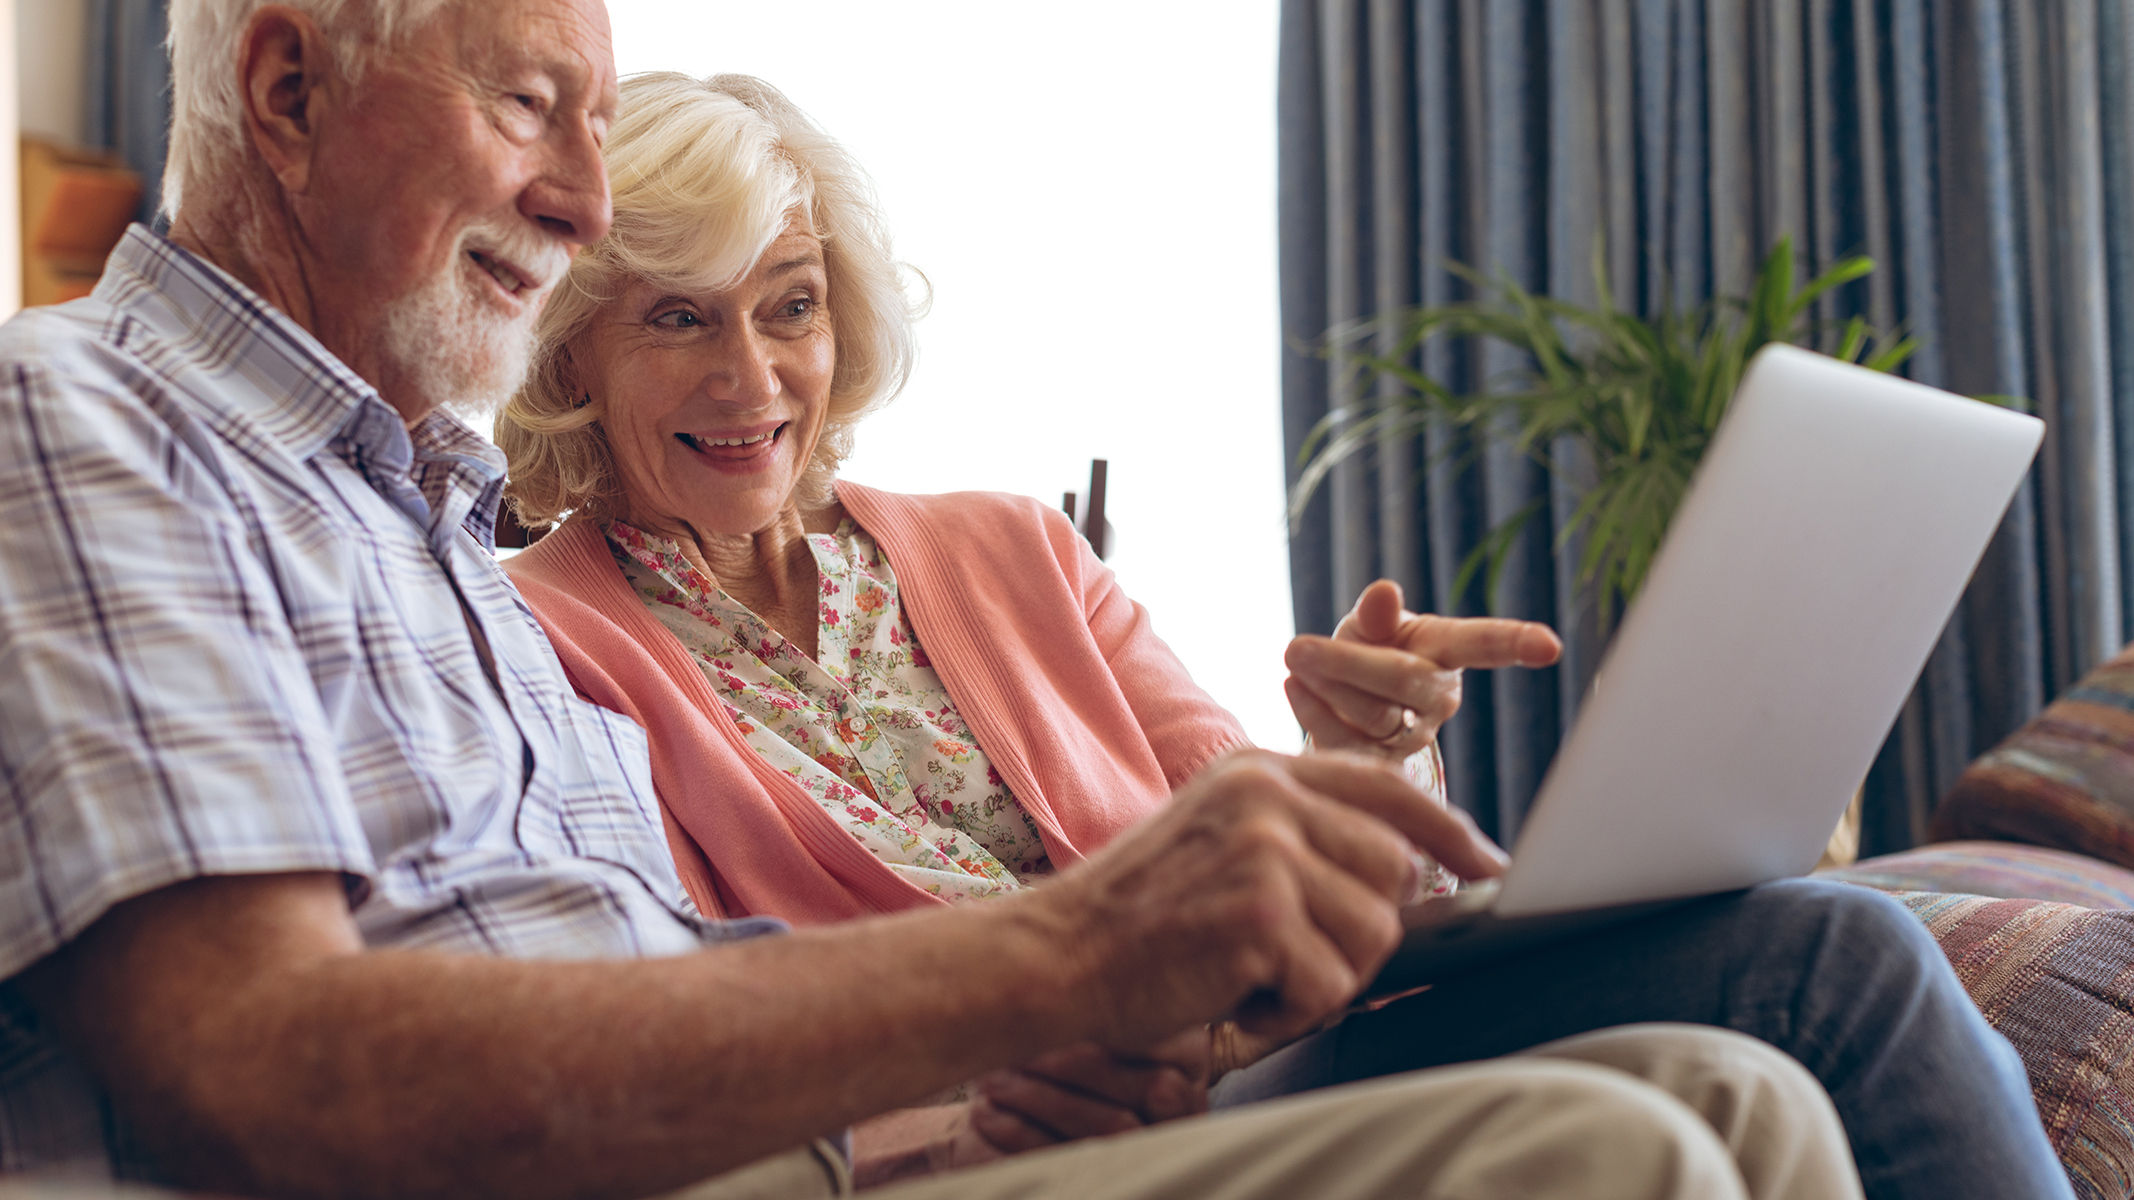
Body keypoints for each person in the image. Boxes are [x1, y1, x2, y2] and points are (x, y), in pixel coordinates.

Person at [0, 2, 1876, 1199]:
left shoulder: (417, 523)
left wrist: (979, 1094)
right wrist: (1053, 969)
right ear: (288, 84)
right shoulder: (84, 415)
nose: (576, 191)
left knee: (1746, 1088)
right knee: (1615, 1143)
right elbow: (260, 1074)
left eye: (787, 304)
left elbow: (656, 978)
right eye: (530, 107)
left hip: (903, 1136)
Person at [493, 70, 2076, 1200]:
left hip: (1253, 1049)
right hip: (1017, 1139)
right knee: (1792, 1003)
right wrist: (962, 1137)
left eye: (786, 306)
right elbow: (683, 1043)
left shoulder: (1009, 548)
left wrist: (1355, 759)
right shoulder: (531, 640)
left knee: (1829, 951)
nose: (750, 378)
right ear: (574, 350)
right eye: (677, 318)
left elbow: (1240, 851)